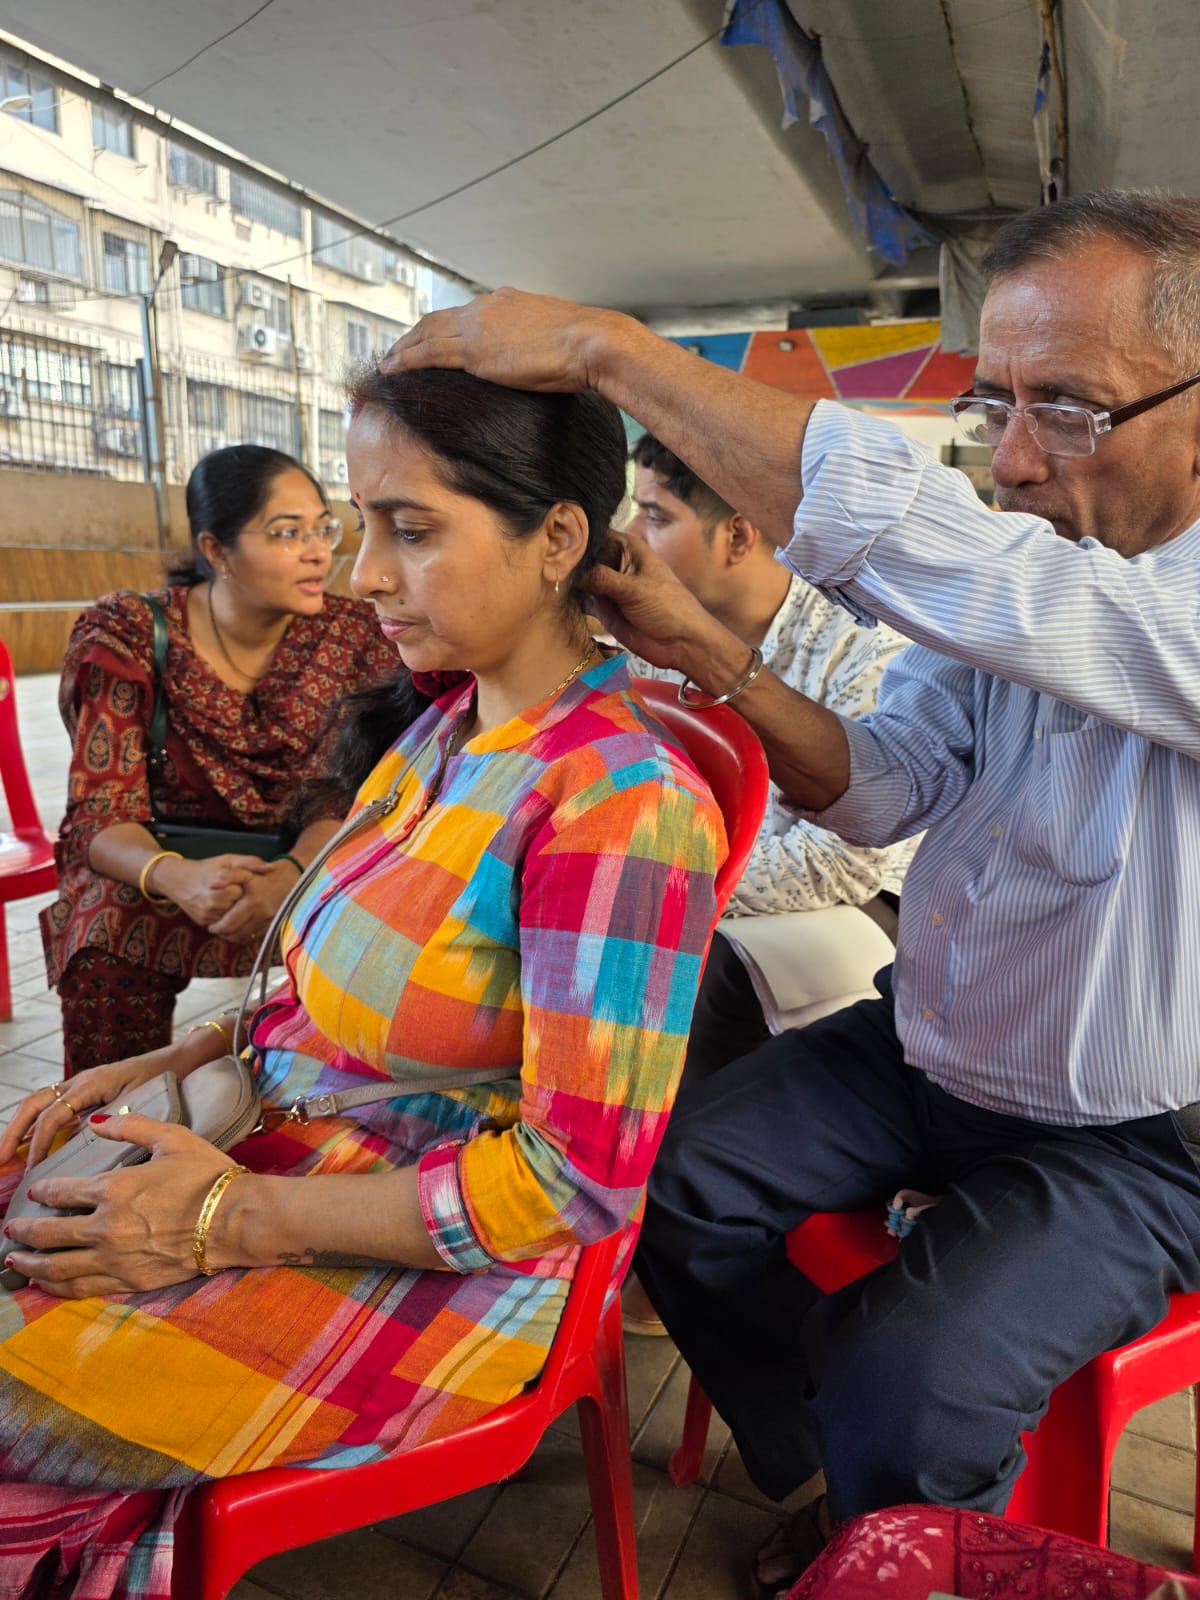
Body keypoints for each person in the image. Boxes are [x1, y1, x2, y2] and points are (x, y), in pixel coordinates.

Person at [382, 189, 1200, 1595]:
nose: (1009, 460)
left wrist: (603, 349)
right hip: (924, 1051)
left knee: (915, 1376)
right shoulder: (1040, 569)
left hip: (1131, 1140)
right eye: (994, 401)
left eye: (1066, 409)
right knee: (671, 1182)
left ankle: (902, 1500)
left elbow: (980, 574)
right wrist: (706, 648)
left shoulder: (1115, 597)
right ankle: (844, 1468)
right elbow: (883, 789)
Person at [0, 367, 722, 1598]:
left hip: (441, 1264)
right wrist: (170, 1064)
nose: (365, 571)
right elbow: (321, 977)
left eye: (414, 529)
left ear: (557, 540)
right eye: (358, 523)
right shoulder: (450, 730)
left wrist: (222, 1221)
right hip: (299, 1158)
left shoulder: (619, 805)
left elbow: (574, 1186)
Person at [40, 443, 399, 1072]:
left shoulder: (355, 636)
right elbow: (100, 813)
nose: (320, 551)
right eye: (288, 533)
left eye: (324, 527)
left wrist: (292, 874)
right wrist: (178, 878)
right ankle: (107, 1121)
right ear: (215, 551)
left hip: (309, 859)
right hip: (168, 864)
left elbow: (348, 792)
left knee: (383, 920)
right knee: (104, 931)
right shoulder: (128, 633)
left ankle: (316, 1111)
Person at [624, 431, 916, 1082]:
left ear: (738, 535)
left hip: (865, 899)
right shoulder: (647, 638)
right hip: (699, 875)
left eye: (654, 515)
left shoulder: (863, 644)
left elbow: (843, 861)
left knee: (710, 961)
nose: (631, 538)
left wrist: (672, 885)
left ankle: (655, 1162)